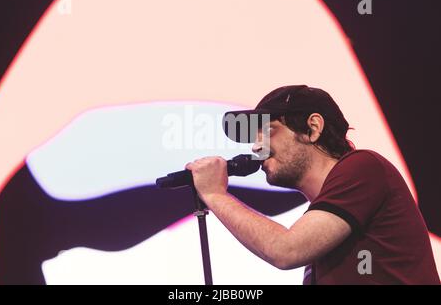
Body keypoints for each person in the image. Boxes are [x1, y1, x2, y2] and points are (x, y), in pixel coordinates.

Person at [185, 85, 440, 284]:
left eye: (269, 130)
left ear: (313, 128)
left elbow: (285, 250)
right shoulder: (324, 236)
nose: (255, 146)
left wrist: (215, 194)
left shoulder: (365, 167)